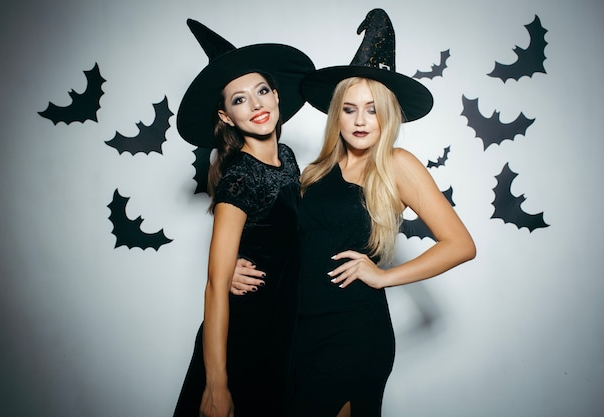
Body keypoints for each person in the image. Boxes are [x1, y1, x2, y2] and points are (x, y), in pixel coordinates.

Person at [289, 9, 475, 417]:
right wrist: (239, 267)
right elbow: (293, 246)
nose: (360, 120)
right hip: (300, 330)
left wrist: (384, 276)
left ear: (388, 114)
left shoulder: (397, 164)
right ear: (336, 113)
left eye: (372, 109)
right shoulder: (314, 172)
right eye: (350, 108)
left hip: (354, 332)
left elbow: (460, 245)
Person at [171, 19, 314, 417]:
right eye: (239, 100)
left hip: (281, 331)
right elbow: (217, 285)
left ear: (277, 96)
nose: (256, 105)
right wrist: (217, 384)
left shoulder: (287, 157)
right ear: (226, 116)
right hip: (244, 335)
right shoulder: (239, 177)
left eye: (262, 91)